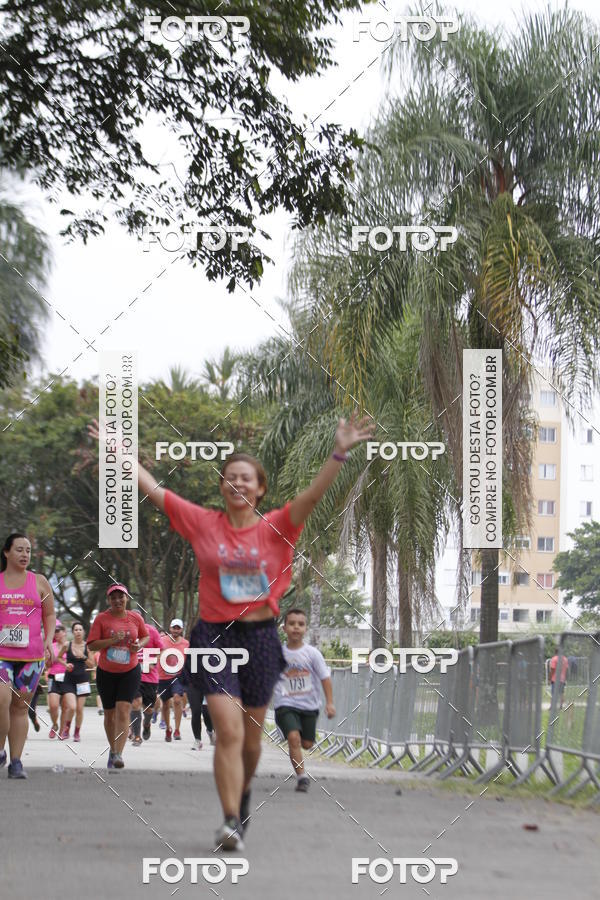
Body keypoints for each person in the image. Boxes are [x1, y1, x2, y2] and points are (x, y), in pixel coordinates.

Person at [89, 410, 374, 848]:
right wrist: (119, 455)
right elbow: (156, 491)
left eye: (246, 478)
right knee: (228, 730)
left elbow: (313, 496)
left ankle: (241, 799)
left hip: (260, 639)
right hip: (215, 637)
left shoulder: (277, 527)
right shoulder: (203, 522)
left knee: (251, 743)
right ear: (222, 486)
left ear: (260, 488)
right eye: (230, 477)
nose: (237, 483)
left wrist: (338, 453)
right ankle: (228, 822)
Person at [0, 532, 56, 778]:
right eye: (19, 549)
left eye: (28, 550)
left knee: (20, 708)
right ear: (6, 552)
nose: (25, 554)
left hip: (31, 657)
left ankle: (16, 762)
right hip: (1, 654)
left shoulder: (40, 581)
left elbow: (50, 615)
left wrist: (48, 640)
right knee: (1, 700)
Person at [273, 608, 335, 791]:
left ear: (305, 628)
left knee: (307, 744)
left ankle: (297, 738)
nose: (296, 627)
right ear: (284, 628)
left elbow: (325, 678)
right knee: (294, 738)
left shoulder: (312, 653)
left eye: (300, 624)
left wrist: (330, 703)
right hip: (285, 704)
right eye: (292, 624)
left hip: (309, 706)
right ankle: (302, 778)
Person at [87, 584, 149, 769]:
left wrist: (139, 646)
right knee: (109, 715)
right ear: (108, 600)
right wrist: (112, 640)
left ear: (127, 598)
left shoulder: (135, 618)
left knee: (123, 710)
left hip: (130, 671)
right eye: (113, 597)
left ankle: (118, 754)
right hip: (106, 672)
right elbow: (92, 645)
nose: (117, 600)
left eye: (121, 597)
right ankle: (113, 749)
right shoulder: (101, 619)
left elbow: (145, 636)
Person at [57, 622, 96, 741]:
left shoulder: (87, 647)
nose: (78, 632)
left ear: (83, 632)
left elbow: (92, 664)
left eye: (80, 629)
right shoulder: (67, 645)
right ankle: (67, 729)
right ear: (73, 632)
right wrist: (65, 664)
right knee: (72, 707)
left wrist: (83, 657)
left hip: (82, 681)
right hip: (69, 680)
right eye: (76, 630)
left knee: (79, 709)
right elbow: (59, 657)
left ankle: (77, 733)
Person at [130, 620, 163, 744]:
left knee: (148, 709)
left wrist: (152, 662)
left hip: (150, 678)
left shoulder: (151, 631)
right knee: (135, 704)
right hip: (132, 675)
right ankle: (137, 736)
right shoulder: (126, 632)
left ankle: (147, 724)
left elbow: (162, 650)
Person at [156, 619, 189, 742]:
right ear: (170, 628)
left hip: (178, 676)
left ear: (181, 630)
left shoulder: (186, 643)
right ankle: (168, 729)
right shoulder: (162, 640)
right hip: (163, 676)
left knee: (177, 700)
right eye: (174, 628)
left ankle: (177, 730)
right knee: (165, 704)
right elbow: (155, 654)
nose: (175, 630)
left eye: (178, 628)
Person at [46, 621, 69, 738]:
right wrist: (48, 659)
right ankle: (55, 724)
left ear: (64, 632)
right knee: (53, 706)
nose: (56, 634)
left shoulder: (70, 646)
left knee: (65, 707)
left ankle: (62, 730)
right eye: (55, 632)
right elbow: (47, 666)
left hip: (67, 678)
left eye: (58, 631)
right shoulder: (52, 646)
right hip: (53, 677)